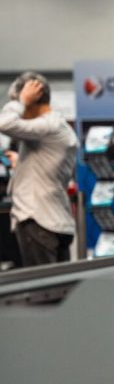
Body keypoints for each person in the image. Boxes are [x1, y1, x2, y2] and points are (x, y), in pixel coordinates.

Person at [0, 72, 78, 266]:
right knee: (58, 290)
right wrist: (22, 161)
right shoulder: (58, 126)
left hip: (38, 221)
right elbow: (47, 165)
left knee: (42, 292)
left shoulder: (48, 126)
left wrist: (21, 100)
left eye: (24, 105)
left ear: (33, 100)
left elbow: (4, 123)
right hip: (52, 221)